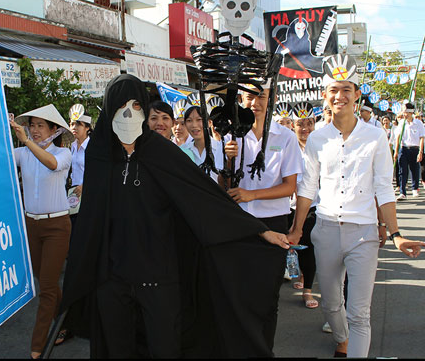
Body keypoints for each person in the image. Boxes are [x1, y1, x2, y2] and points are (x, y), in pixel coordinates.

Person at [59, 74, 290, 358]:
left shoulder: (160, 152)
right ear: (109, 111)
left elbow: (203, 196)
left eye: (136, 105)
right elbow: (92, 218)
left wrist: (257, 230)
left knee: (164, 348)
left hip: (158, 277)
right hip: (112, 279)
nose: (129, 114)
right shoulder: (100, 153)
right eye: (121, 107)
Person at [289, 54, 425, 358]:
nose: (340, 96)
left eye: (346, 90)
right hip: (325, 230)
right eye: (333, 90)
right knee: (330, 304)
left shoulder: (376, 136)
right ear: (325, 96)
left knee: (360, 313)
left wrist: (395, 233)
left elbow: (383, 187)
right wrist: (297, 228)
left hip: (363, 234)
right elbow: (307, 188)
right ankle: (342, 339)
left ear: (357, 96)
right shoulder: (316, 140)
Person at [223, 84, 303, 346]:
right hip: (239, 224)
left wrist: (252, 194)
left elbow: (290, 186)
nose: (254, 103)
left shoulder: (286, 137)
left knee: (268, 294)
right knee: (239, 292)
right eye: (249, 97)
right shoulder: (231, 136)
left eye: (261, 97)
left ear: (271, 99)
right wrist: (226, 162)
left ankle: (263, 347)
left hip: (274, 221)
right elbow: (224, 186)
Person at [10, 105, 73, 359]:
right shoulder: (21, 153)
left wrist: (26, 142)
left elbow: (51, 163)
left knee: (46, 287)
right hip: (31, 226)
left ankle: (37, 349)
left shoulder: (64, 152)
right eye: (31, 125)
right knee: (44, 280)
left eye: (40, 126)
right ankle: (67, 319)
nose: (34, 130)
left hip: (57, 226)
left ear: (54, 130)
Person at [291, 102, 319, 310]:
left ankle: (307, 289)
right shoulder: (287, 145)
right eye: (300, 124)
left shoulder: (320, 146)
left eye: (308, 123)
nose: (304, 128)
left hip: (313, 207)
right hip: (287, 206)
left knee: (309, 248)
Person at [182, 105, 223, 182]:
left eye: (199, 119)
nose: (194, 125)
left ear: (210, 122)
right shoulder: (182, 150)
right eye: (189, 120)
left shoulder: (220, 149)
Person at [395, 103, 425, 200]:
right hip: (404, 149)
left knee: (414, 169)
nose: (404, 114)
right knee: (402, 171)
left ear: (410, 112)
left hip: (414, 149)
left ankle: (415, 188)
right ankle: (402, 192)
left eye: (406, 112)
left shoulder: (418, 123)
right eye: (403, 112)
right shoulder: (401, 123)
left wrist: (420, 152)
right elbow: (398, 138)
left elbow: (422, 138)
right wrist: (396, 151)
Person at [67, 104, 91, 225]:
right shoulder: (71, 146)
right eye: (71, 124)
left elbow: (98, 172)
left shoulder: (93, 147)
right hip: (73, 194)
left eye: (78, 124)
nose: (74, 127)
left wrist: (84, 185)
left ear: (87, 127)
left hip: (88, 194)